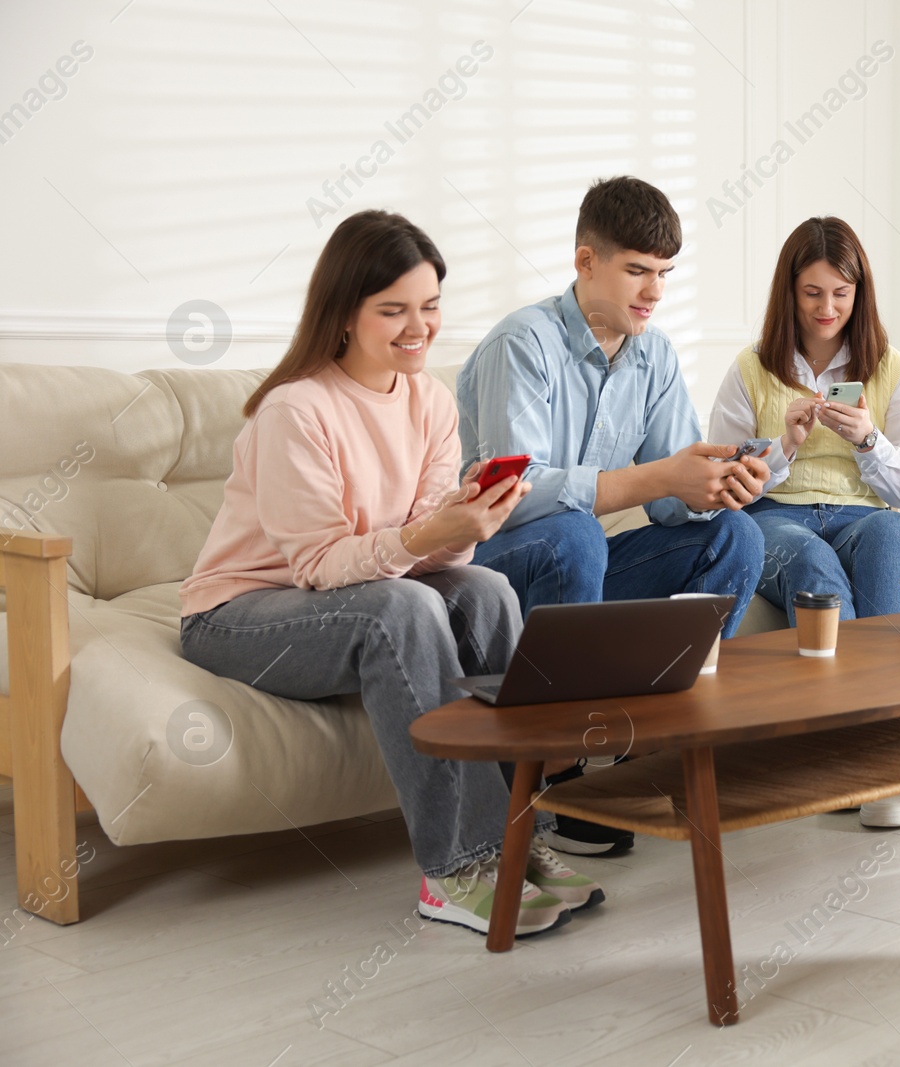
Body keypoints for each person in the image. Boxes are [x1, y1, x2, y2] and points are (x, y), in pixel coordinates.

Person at [179, 210, 602, 939]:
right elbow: (318, 565)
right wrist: (426, 532)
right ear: (346, 313)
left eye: (430, 306)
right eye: (394, 310)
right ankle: (458, 868)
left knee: (490, 590)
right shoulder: (296, 410)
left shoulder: (431, 400)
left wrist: (467, 524)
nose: (419, 326)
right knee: (396, 611)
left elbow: (433, 558)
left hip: (346, 595)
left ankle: (522, 844)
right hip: (240, 614)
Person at [457, 176, 766, 855]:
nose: (654, 291)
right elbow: (512, 497)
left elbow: (664, 499)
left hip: (580, 574)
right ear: (586, 262)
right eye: (637, 271)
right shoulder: (523, 344)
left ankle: (644, 753)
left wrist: (712, 485)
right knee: (570, 535)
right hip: (492, 572)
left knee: (737, 537)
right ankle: (559, 783)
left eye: (663, 273)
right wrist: (663, 474)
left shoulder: (654, 354)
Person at [709, 216, 900, 829]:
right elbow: (722, 478)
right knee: (814, 562)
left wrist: (870, 442)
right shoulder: (752, 369)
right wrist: (783, 443)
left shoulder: (889, 368)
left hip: (865, 514)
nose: (827, 308)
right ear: (790, 293)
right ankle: (852, 749)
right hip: (776, 518)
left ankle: (885, 758)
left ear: (859, 293)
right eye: (812, 293)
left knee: (893, 538)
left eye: (840, 293)